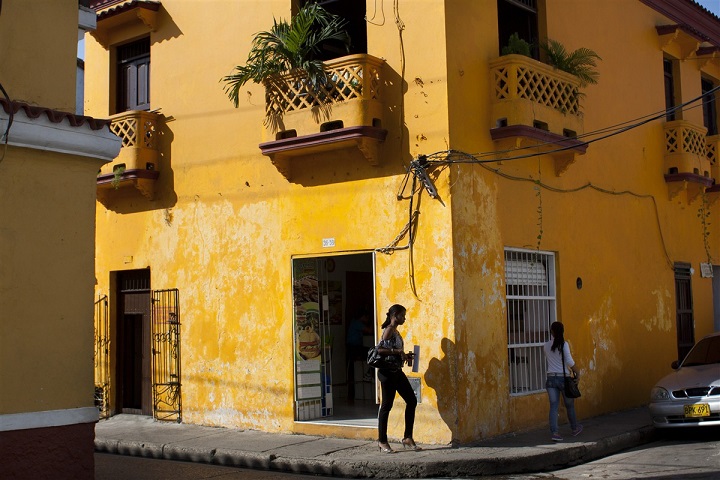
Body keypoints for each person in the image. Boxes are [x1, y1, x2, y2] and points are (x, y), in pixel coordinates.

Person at [376, 304, 420, 453]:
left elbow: (392, 352)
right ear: (395, 315)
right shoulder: (388, 330)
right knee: (386, 406)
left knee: (411, 401)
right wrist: (397, 351)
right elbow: (380, 350)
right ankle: (382, 441)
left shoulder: (395, 331)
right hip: (388, 373)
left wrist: (404, 355)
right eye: (402, 315)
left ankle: (408, 437)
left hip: (397, 372)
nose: (404, 318)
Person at [543, 321, 583, 442]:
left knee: (553, 406)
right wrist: (578, 373)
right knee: (569, 405)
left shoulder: (545, 346)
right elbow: (570, 362)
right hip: (563, 379)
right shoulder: (564, 345)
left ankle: (555, 433)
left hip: (550, 379)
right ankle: (575, 428)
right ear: (562, 331)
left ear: (552, 332)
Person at [346, 306, 373, 399]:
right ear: (363, 316)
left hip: (354, 347)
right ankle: (369, 373)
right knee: (373, 354)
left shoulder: (355, 322)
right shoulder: (357, 323)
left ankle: (369, 373)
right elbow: (369, 330)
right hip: (354, 348)